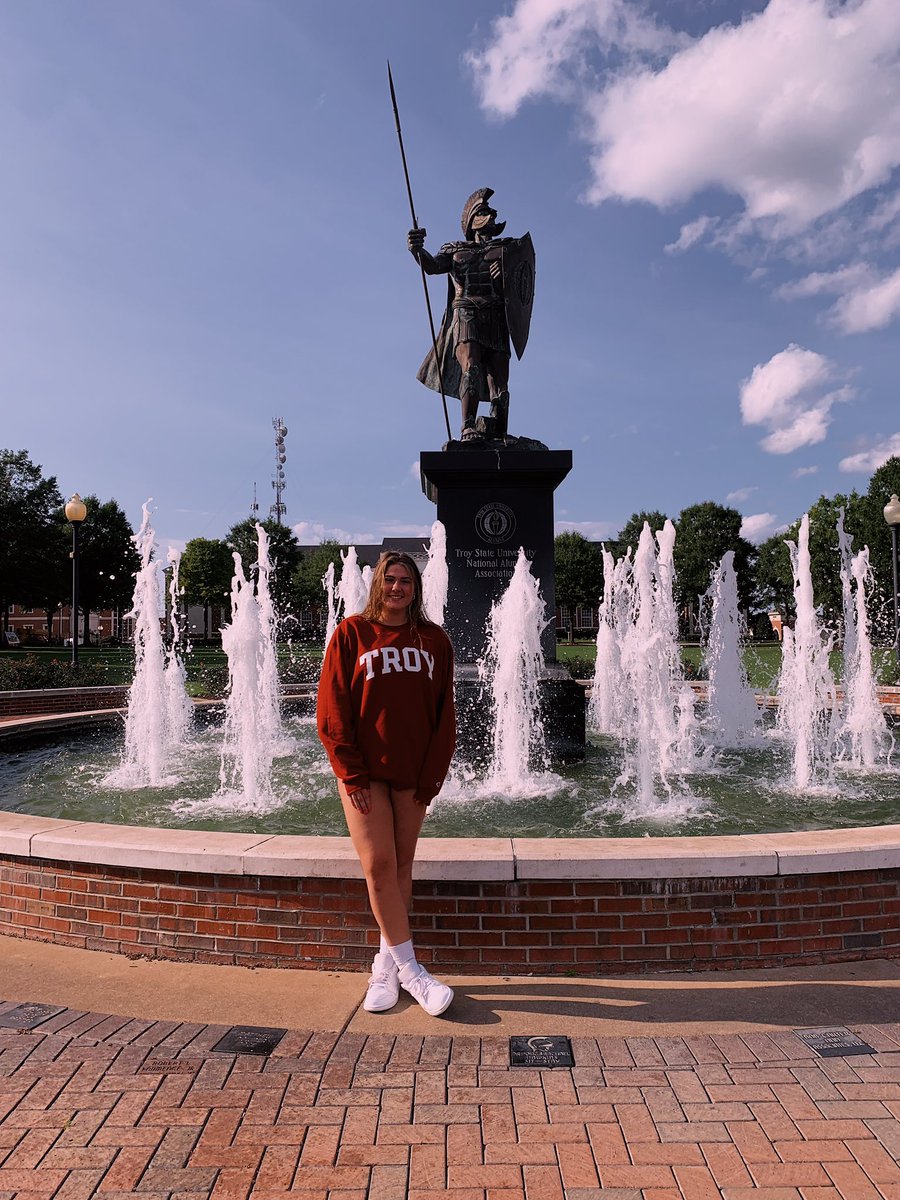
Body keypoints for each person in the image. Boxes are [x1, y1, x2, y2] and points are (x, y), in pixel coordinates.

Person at [316, 551, 456, 1016]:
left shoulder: (434, 640)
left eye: (406, 581)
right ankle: (414, 973)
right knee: (378, 865)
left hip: (412, 773)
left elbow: (443, 716)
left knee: (399, 870)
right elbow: (333, 710)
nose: (398, 588)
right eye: (390, 580)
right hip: (365, 773)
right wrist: (350, 772)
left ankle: (385, 965)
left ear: (416, 588)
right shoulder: (352, 633)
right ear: (378, 584)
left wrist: (432, 776)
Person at [408, 187, 534, 442]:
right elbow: (432, 267)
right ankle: (467, 426)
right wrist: (417, 250)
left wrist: (505, 279)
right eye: (484, 211)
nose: (491, 215)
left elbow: (519, 283)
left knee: (499, 378)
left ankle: (499, 430)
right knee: (472, 366)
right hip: (467, 313)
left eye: (490, 211)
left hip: (497, 314)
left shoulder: (507, 250)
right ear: (473, 220)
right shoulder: (455, 250)